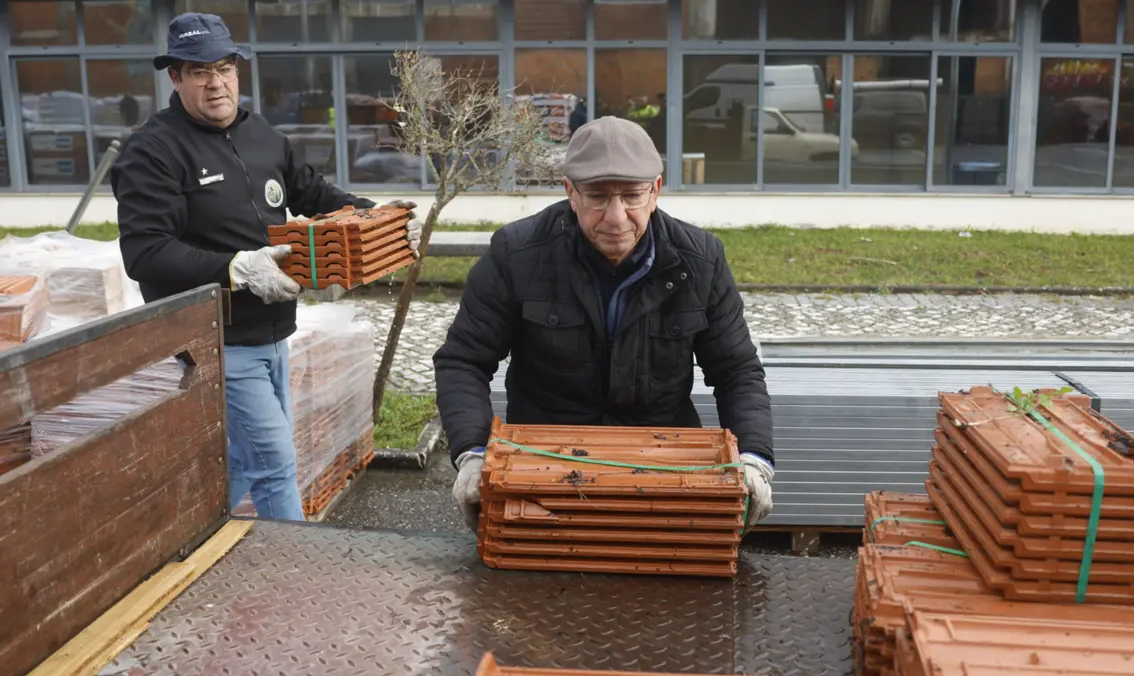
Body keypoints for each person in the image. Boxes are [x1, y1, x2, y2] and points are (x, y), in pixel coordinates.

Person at [111, 13, 421, 521]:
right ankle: (298, 578)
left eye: (225, 67)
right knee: (276, 465)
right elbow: (144, 253)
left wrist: (379, 216)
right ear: (175, 77)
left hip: (274, 334)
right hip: (216, 341)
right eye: (199, 72)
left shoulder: (262, 136)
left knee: (244, 459)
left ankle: (184, 542)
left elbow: (314, 194)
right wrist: (237, 267)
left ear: (237, 69)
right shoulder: (154, 150)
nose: (216, 83)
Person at [433, 116, 774, 533]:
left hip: (663, 472)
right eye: (597, 196)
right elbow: (463, 360)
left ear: (655, 191)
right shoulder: (517, 254)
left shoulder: (700, 261)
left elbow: (737, 370)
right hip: (543, 474)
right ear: (570, 193)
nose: (616, 218)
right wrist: (471, 454)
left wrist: (754, 458)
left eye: (632, 196)